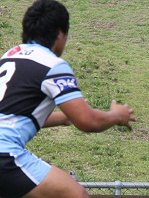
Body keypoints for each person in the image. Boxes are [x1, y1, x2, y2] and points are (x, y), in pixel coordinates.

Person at [0, 0, 135, 198]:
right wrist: (116, 115)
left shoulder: (9, 57)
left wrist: (64, 118)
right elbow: (89, 122)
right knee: (75, 194)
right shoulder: (52, 64)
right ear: (60, 34)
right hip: (5, 154)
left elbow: (15, 116)